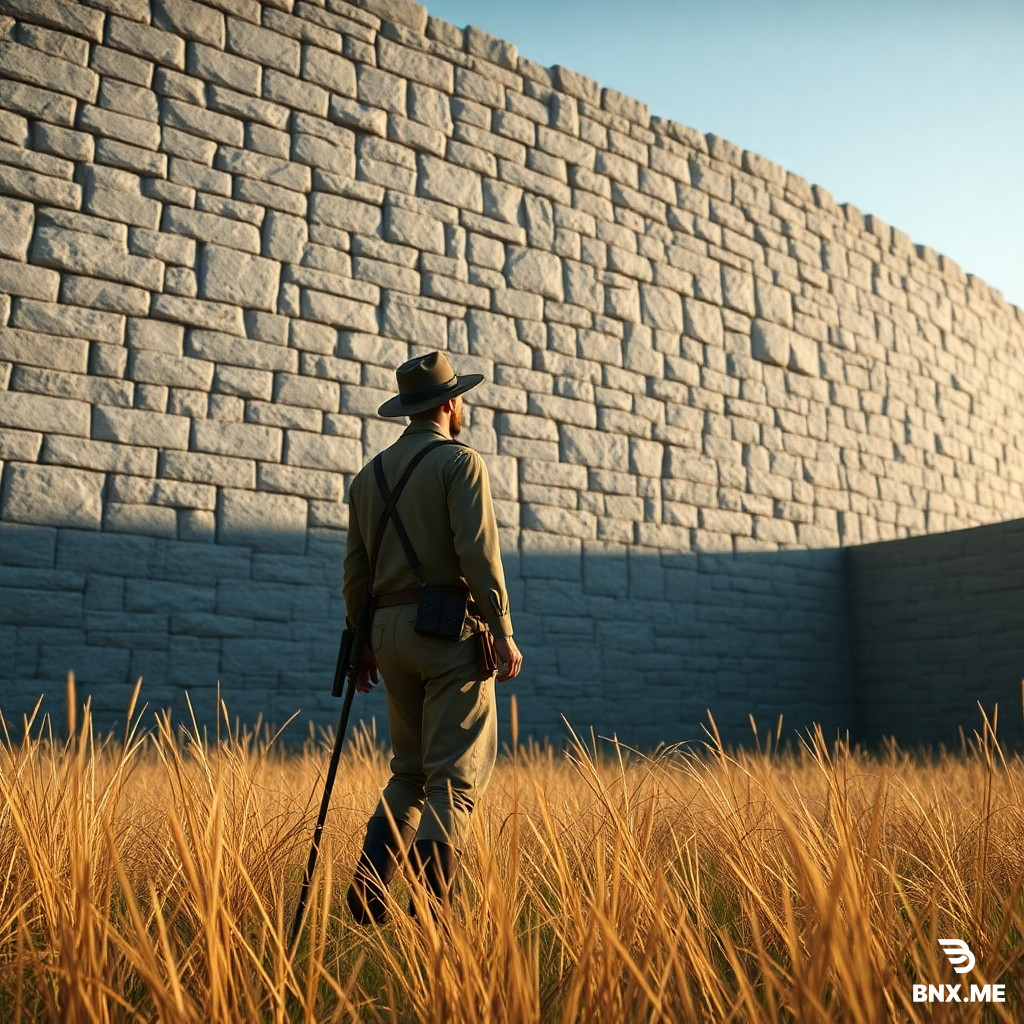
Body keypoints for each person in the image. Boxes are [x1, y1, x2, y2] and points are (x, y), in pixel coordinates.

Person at [342, 350, 523, 923]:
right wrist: (501, 631)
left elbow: (355, 570)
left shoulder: (367, 476)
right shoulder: (460, 463)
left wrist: (362, 643)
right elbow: (478, 555)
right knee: (454, 779)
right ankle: (431, 908)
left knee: (410, 772)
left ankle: (370, 887)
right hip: (448, 632)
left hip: (387, 634)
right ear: (450, 404)